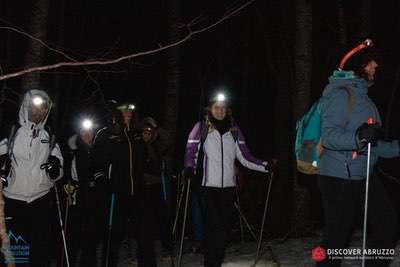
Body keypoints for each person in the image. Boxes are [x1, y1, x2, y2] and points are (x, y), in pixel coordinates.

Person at [318, 41, 399, 266]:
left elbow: (375, 145)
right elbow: (330, 137)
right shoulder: (340, 94)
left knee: (387, 223)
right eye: (371, 61)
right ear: (359, 65)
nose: (375, 66)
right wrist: (359, 137)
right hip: (338, 177)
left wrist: (396, 147)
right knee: (336, 240)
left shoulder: (366, 100)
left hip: (363, 175)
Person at [183, 93, 270, 267]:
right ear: (210, 109)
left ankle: (215, 261)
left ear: (227, 110)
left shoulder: (234, 131)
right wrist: (189, 168)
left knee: (223, 231)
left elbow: (246, 158)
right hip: (208, 188)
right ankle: (211, 263)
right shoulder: (201, 128)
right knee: (214, 228)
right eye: (216, 107)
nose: (220, 111)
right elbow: (191, 151)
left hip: (229, 188)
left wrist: (266, 166)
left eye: (223, 107)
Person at [0, 89, 63, 267]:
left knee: (40, 250)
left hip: (40, 199)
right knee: (16, 250)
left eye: (44, 108)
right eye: (35, 107)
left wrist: (55, 169)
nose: (39, 111)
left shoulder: (48, 135)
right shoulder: (13, 131)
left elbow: (59, 166)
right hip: (14, 199)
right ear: (27, 107)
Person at [90, 100, 147, 267]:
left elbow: (143, 158)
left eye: (130, 110)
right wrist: (102, 180)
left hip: (136, 190)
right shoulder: (107, 132)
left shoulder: (136, 133)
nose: (128, 113)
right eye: (124, 110)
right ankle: (108, 263)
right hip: (115, 191)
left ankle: (140, 260)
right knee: (113, 233)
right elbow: (96, 160)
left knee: (141, 232)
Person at [65, 117, 99, 267]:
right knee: (74, 236)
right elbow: (69, 175)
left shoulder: (98, 151)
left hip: (94, 199)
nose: (87, 134)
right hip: (78, 199)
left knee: (91, 238)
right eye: (84, 131)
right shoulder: (74, 151)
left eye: (90, 131)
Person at [139, 117, 174, 261]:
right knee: (143, 221)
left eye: (149, 132)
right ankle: (140, 249)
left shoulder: (156, 146)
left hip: (156, 186)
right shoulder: (137, 146)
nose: (146, 135)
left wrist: (156, 127)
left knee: (162, 217)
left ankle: (167, 247)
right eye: (144, 132)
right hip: (141, 188)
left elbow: (168, 140)